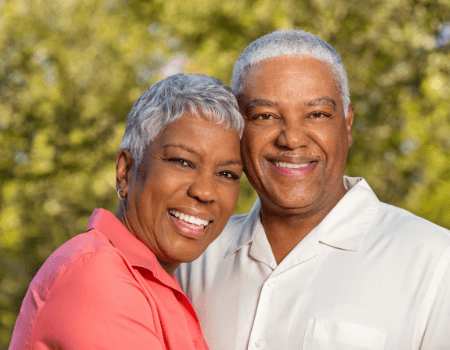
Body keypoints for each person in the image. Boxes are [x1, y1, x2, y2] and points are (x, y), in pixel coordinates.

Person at [176, 30, 450, 349]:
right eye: (265, 115)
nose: (292, 138)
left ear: (347, 125)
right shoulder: (194, 257)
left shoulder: (435, 262)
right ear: (237, 128)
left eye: (317, 114)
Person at [10, 73, 244, 350]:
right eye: (182, 162)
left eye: (227, 173)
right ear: (126, 171)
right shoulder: (96, 274)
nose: (205, 192)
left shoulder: (162, 284)